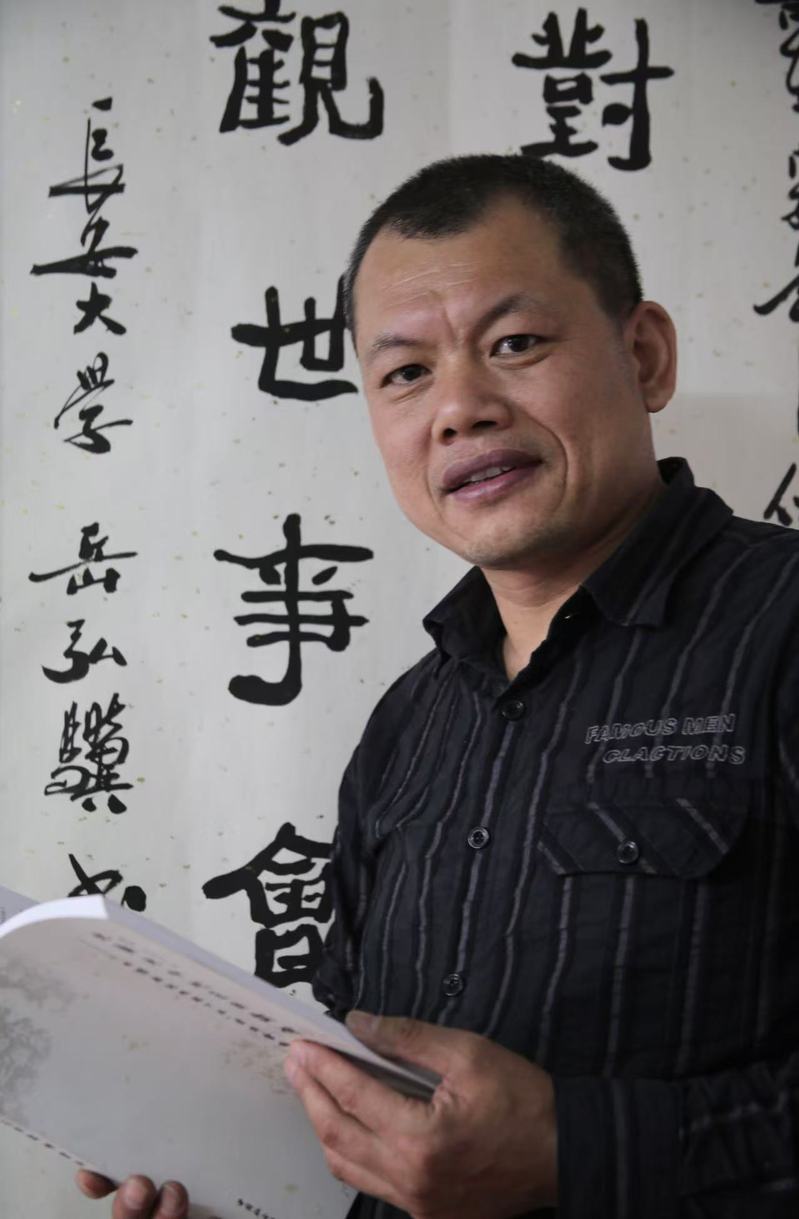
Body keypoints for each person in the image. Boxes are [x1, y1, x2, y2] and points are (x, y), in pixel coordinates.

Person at [77, 154, 799, 1219]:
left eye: (515, 344)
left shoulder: (779, 621)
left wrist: (572, 1149)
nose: (459, 409)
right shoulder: (408, 720)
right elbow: (361, 1087)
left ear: (643, 355)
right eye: (406, 372)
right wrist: (229, 1162)